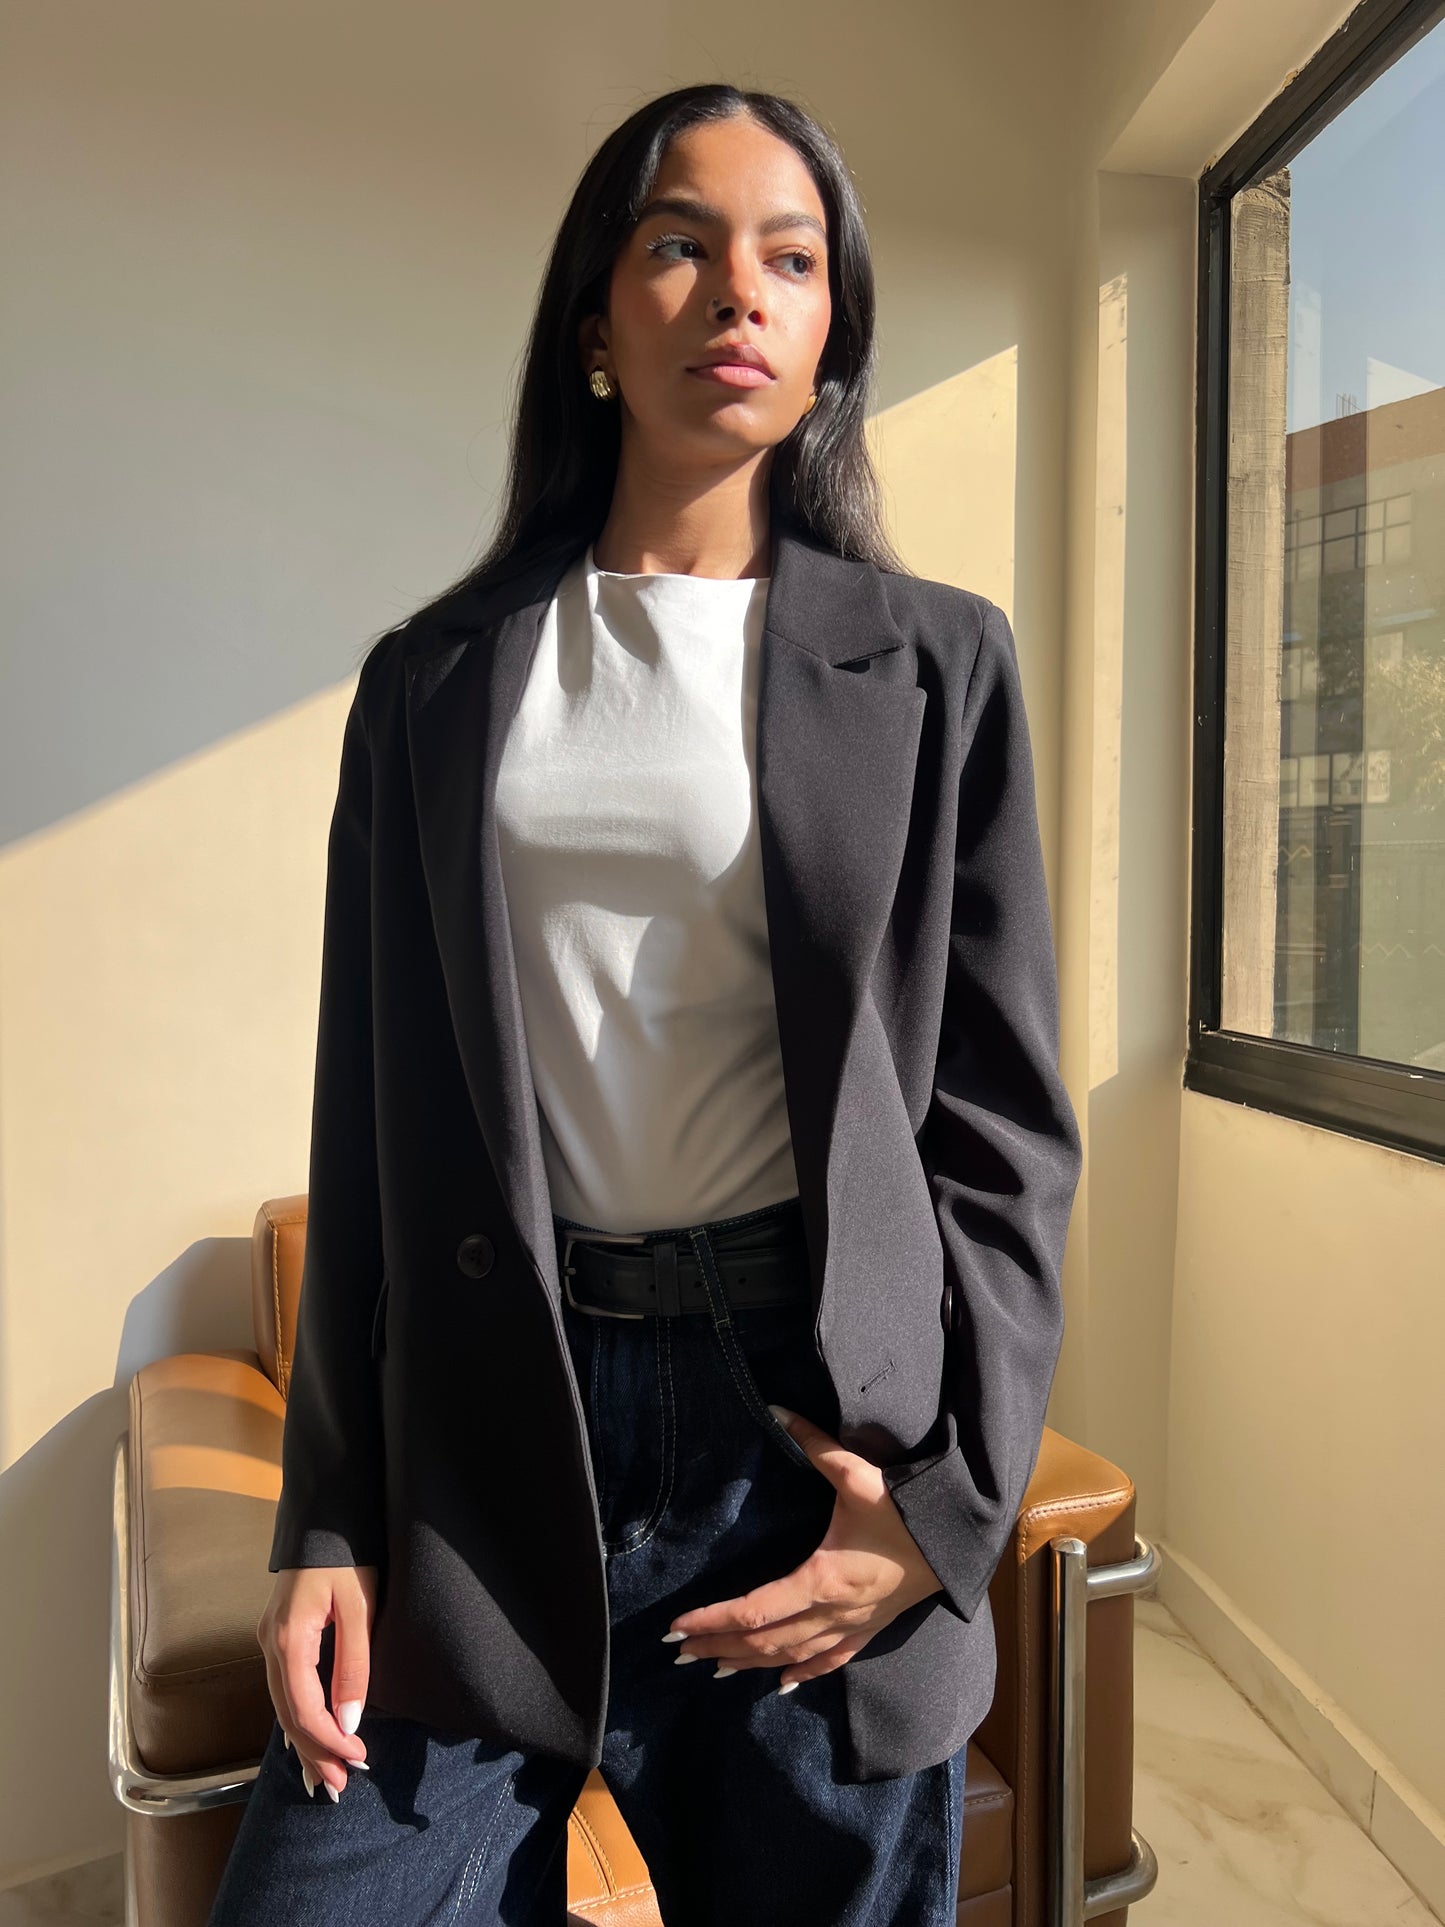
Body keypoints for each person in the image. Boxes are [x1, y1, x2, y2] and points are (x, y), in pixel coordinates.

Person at [208, 79, 1082, 1927]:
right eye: (680, 243)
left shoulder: (937, 665)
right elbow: (369, 1127)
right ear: (596, 318)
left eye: (791, 258)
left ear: (830, 334)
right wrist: (329, 1519)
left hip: (806, 1447)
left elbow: (1004, 1134)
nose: (738, 292)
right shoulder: (435, 682)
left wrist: (939, 1516)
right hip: (493, 1449)